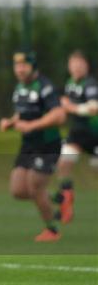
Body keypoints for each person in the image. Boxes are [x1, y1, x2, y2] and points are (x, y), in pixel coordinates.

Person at [0, 52, 66, 242]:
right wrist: (11, 122)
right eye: (16, 65)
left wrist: (31, 126)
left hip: (47, 144)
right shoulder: (20, 87)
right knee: (18, 190)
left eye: (24, 65)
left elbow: (59, 115)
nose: (20, 69)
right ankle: (59, 199)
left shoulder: (45, 87)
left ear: (33, 67)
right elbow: (23, 113)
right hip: (28, 145)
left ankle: (52, 230)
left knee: (36, 185)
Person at [53, 50, 98, 224]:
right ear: (69, 66)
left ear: (87, 66)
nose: (77, 67)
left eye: (81, 64)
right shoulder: (70, 82)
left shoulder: (90, 83)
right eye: (74, 63)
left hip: (95, 135)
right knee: (63, 164)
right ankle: (66, 203)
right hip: (78, 135)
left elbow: (94, 108)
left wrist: (70, 107)